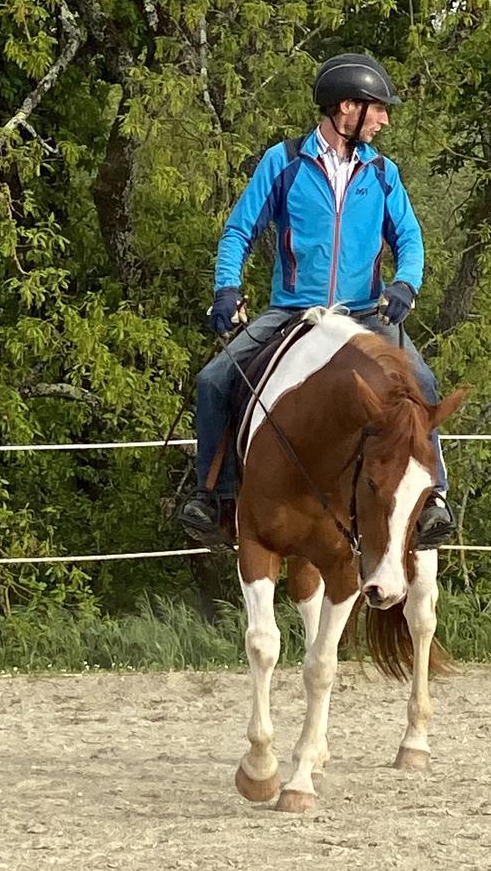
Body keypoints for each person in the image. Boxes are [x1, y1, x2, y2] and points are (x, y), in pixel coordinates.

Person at [177, 53, 457, 550]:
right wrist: (226, 288)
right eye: (378, 109)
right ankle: (213, 499)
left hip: (368, 313)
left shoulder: (383, 172)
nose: (384, 119)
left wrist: (404, 284)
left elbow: (410, 240)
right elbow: (240, 230)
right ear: (346, 107)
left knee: (424, 380)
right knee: (213, 380)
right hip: (293, 311)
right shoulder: (282, 163)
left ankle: (434, 497)